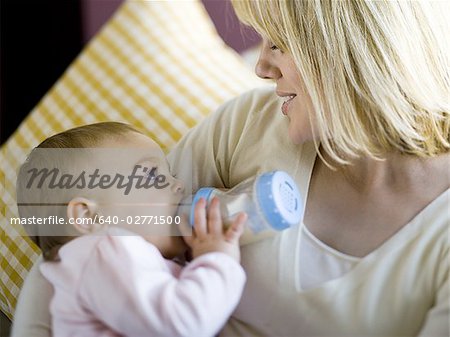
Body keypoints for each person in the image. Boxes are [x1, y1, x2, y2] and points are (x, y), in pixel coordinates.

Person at [11, 1, 449, 336]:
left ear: (351, 49)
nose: (260, 66)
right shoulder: (247, 124)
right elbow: (74, 244)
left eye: (278, 42)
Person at [14, 122, 247, 337]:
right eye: (152, 174)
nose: (180, 185)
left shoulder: (102, 263)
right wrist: (216, 258)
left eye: (171, 174)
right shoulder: (101, 250)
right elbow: (184, 322)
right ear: (87, 216)